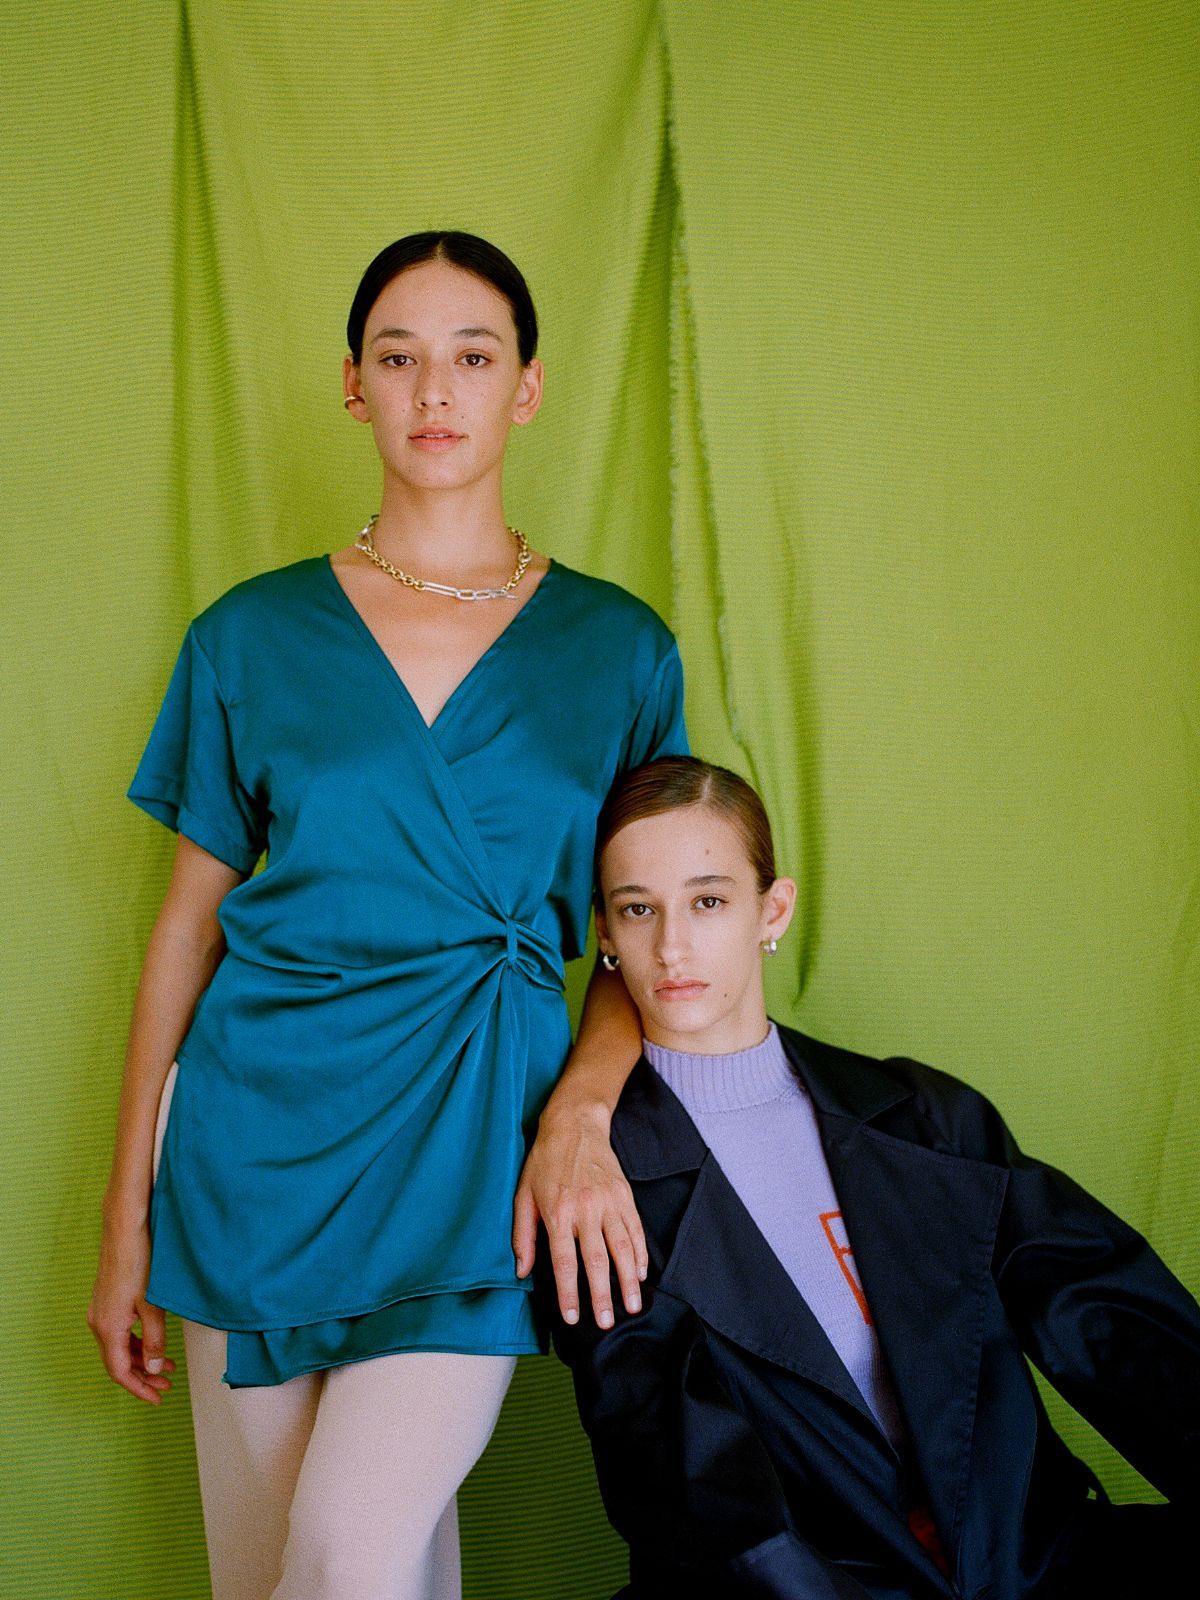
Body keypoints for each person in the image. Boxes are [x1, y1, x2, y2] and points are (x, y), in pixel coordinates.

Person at [87, 231, 688, 1600]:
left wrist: (583, 1113)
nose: (436, 389)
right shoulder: (247, 636)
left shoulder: (619, 650)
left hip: (479, 1152)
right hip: (252, 1154)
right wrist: (127, 1218)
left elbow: (639, 942)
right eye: (398, 356)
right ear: (353, 385)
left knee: (348, 1554)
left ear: (526, 387)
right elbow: (185, 931)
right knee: (276, 1578)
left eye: (473, 356)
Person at [548, 754, 1199, 1599]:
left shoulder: (924, 1118)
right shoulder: (596, 1187)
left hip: (1029, 1562)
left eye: (708, 901)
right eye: (640, 909)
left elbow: (1114, 1319)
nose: (672, 947)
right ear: (605, 931)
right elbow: (688, 1482)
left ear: (772, 909)